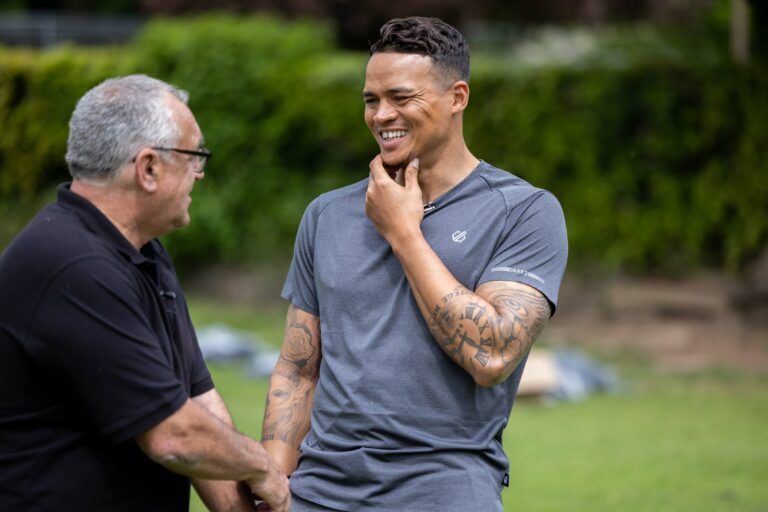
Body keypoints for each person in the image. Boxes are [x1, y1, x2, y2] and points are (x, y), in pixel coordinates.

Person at [261, 16, 568, 512]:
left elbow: (491, 356)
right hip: (319, 490)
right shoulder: (327, 214)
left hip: (444, 487)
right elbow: (298, 368)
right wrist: (273, 483)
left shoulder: (524, 211)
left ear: (457, 97)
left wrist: (403, 232)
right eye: (370, 100)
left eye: (402, 98)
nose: (382, 115)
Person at [0, 75, 289, 512]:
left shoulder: (142, 250)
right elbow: (174, 435)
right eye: (195, 156)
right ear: (148, 168)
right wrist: (263, 468)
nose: (201, 172)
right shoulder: (72, 264)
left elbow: (194, 400)